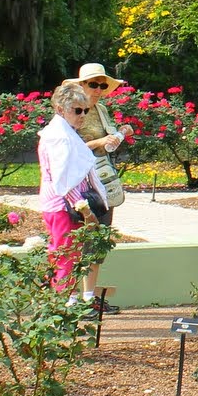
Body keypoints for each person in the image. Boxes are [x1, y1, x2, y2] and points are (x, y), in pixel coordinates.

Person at [62, 63, 133, 314]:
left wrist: (119, 134)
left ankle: (88, 297)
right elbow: (69, 147)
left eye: (103, 85)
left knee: (98, 240)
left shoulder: (101, 110)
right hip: (79, 184)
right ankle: (71, 299)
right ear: (81, 85)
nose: (99, 89)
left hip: (102, 179)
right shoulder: (72, 111)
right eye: (93, 84)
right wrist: (100, 142)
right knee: (78, 239)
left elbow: (108, 141)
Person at [37, 83, 106, 297]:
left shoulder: (63, 132)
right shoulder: (60, 137)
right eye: (77, 110)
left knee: (66, 255)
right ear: (60, 109)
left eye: (85, 110)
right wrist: (86, 211)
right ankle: (64, 306)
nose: (82, 115)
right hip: (63, 206)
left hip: (59, 205)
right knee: (66, 257)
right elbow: (64, 180)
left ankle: (67, 303)